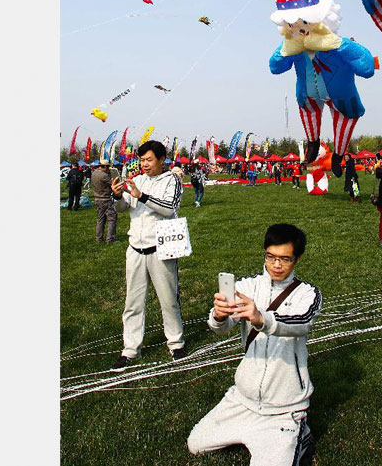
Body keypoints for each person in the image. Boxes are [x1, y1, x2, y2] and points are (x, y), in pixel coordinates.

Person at [187, 223, 319, 466]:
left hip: (283, 409)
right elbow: (221, 328)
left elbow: (301, 322)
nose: (276, 265)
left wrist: (262, 319)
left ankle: (299, 432)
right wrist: (218, 316)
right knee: (195, 444)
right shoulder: (247, 287)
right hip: (242, 400)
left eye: (285, 259)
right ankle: (250, 433)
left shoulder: (307, 294)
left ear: (297, 259)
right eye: (271, 257)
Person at [109, 140, 186, 367]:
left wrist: (141, 195)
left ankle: (176, 343)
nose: (144, 164)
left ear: (161, 159)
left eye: (149, 160)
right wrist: (117, 196)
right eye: (142, 160)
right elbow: (124, 207)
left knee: (168, 298)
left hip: (161, 248)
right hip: (135, 248)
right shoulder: (138, 180)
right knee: (133, 302)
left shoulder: (172, 179)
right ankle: (131, 349)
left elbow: (169, 208)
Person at [90, 159, 116, 243]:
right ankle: (110, 239)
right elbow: (113, 184)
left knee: (100, 220)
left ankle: (99, 238)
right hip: (106, 199)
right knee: (112, 219)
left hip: (97, 198)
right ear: (104, 166)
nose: (108, 168)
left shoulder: (94, 173)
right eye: (107, 167)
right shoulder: (104, 176)